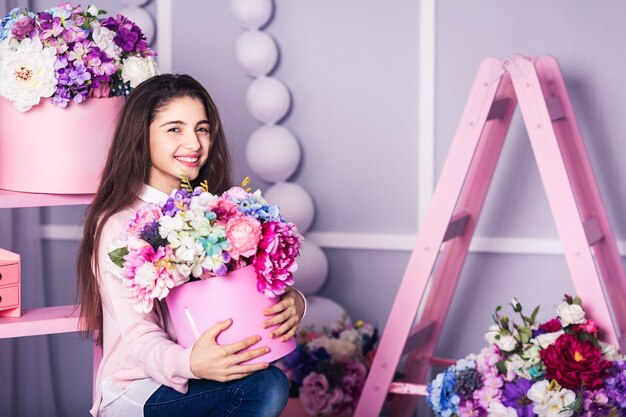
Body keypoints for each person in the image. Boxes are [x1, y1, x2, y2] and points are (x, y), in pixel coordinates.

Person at [76, 74, 306, 417]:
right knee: (264, 388)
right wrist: (191, 363)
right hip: (139, 388)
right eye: (174, 129)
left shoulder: (219, 209)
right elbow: (139, 338)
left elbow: (239, 296)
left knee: (268, 379)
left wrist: (293, 303)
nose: (194, 143)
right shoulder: (118, 225)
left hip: (206, 374)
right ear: (142, 136)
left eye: (201, 128)